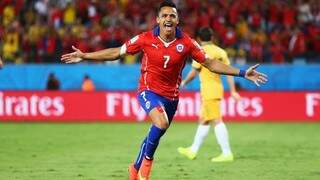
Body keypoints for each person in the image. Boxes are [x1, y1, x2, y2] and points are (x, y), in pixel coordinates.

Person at [61, 1, 267, 179]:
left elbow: (211, 64)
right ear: (158, 20)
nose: (168, 19)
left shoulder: (187, 43)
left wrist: (242, 73)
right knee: (160, 122)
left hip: (171, 98)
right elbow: (117, 52)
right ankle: (146, 170)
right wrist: (85, 55)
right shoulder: (144, 39)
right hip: (147, 90)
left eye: (172, 16)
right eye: (164, 15)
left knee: (156, 134)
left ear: (177, 20)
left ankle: (134, 168)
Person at [177, 27, 240, 162]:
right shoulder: (221, 52)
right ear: (212, 37)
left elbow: (194, 71)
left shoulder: (200, 51)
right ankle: (193, 150)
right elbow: (229, 72)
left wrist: (183, 83)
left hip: (208, 90)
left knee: (217, 120)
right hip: (217, 88)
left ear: (199, 38)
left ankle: (227, 153)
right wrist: (233, 91)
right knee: (204, 120)